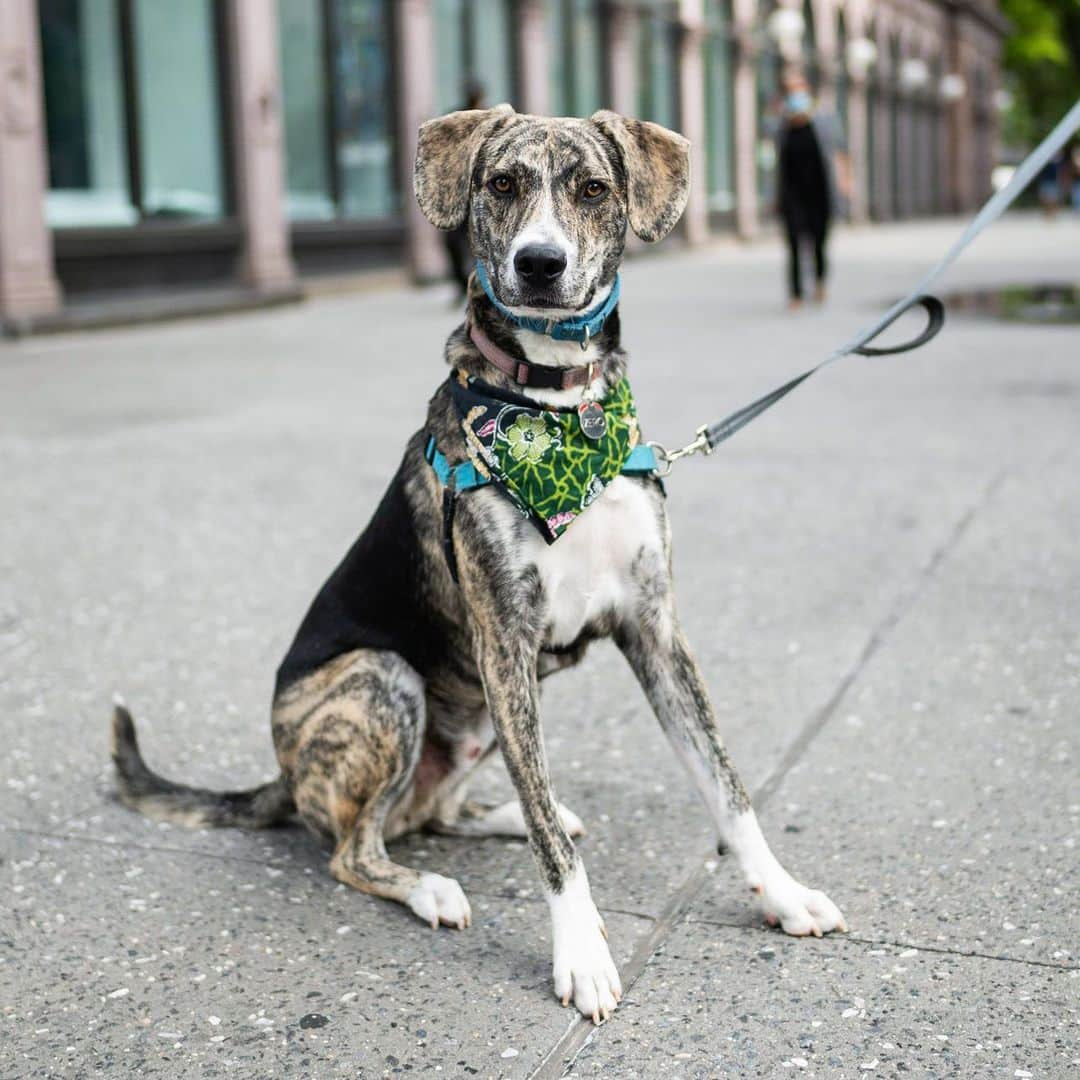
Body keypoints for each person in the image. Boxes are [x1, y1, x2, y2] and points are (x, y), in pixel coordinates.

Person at [774, 72, 850, 310]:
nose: (795, 96)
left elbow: (839, 150)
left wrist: (846, 180)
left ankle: (819, 282)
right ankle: (795, 294)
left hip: (819, 193)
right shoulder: (779, 125)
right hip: (791, 195)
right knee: (794, 243)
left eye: (799, 90)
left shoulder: (824, 121)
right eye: (790, 91)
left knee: (819, 241)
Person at [443, 81, 486, 300]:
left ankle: (477, 285)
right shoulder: (456, 117)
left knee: (478, 241)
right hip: (457, 191)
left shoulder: (491, 119)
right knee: (452, 241)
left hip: (480, 193)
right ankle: (462, 284)